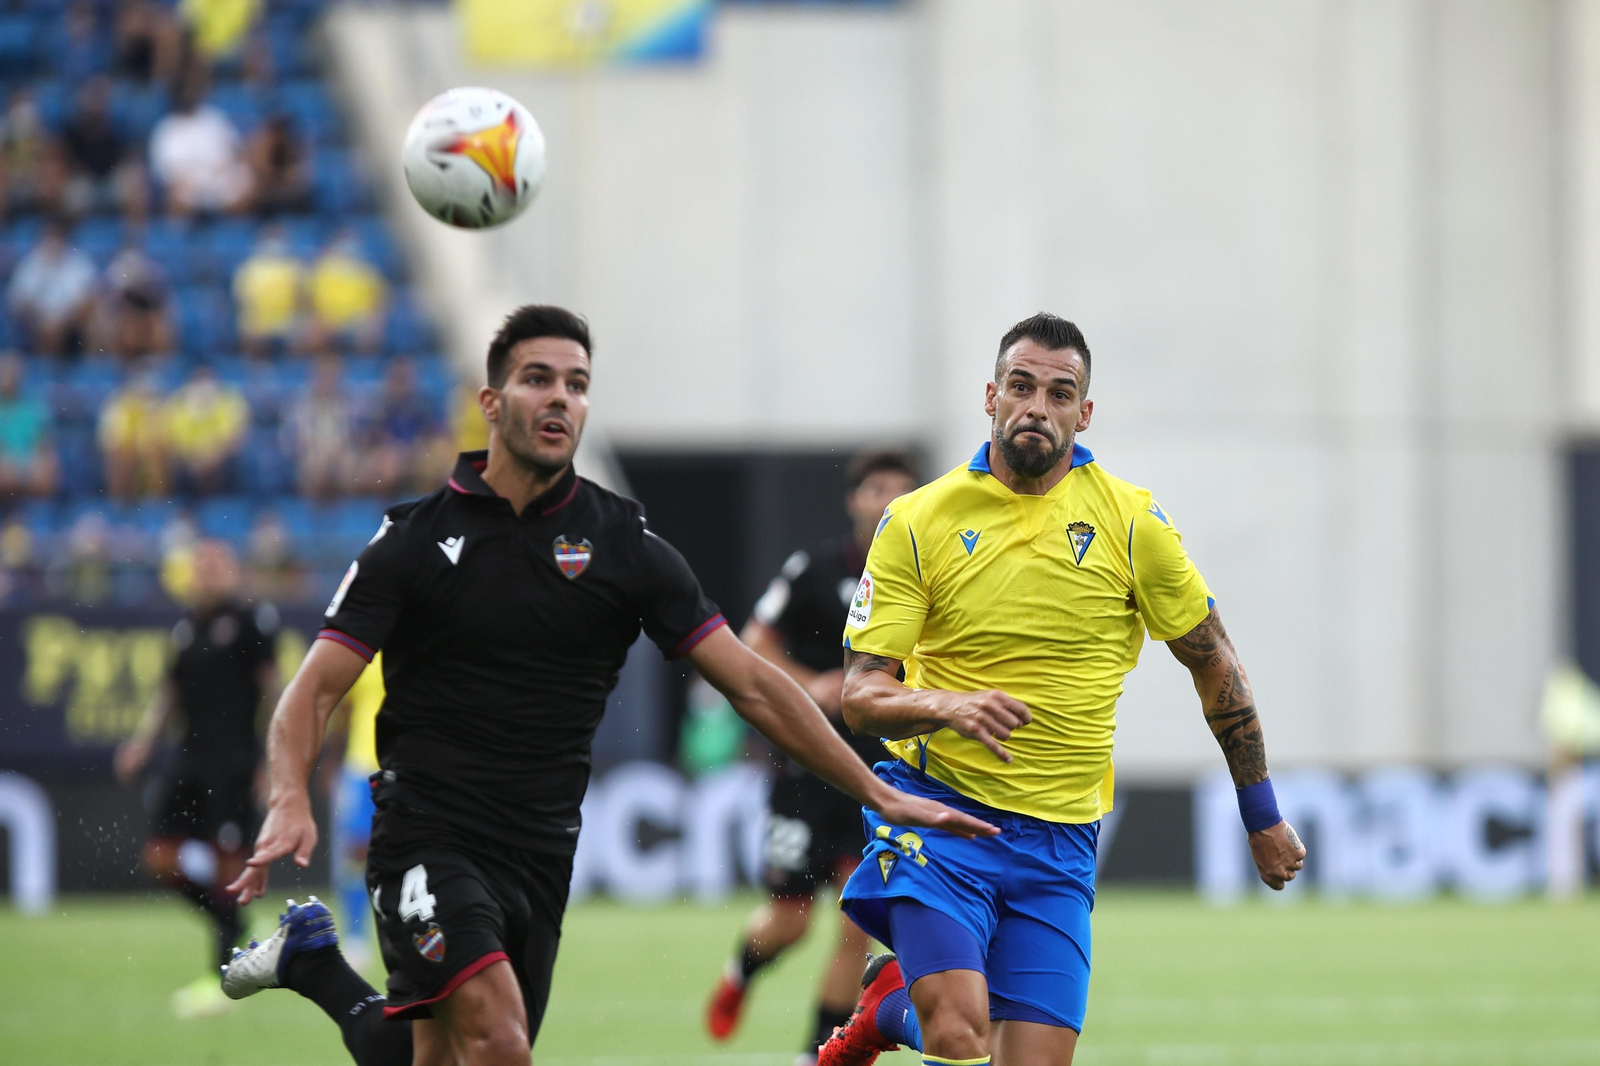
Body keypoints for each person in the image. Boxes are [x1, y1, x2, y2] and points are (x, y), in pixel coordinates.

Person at [219, 305, 995, 1066]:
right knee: (496, 1040)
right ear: (491, 402)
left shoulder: (624, 546)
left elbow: (753, 687)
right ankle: (321, 960)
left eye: (577, 383)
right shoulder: (414, 540)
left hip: (540, 852)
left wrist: (876, 790)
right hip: (428, 832)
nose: (560, 397)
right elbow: (314, 689)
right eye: (537, 379)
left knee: (433, 1048)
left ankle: (315, 962)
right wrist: (289, 794)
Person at [816, 313, 1306, 1066]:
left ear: (1084, 411)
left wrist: (1261, 813)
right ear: (990, 396)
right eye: (1020, 386)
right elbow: (861, 695)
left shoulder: (1133, 524)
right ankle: (896, 1010)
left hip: (1061, 842)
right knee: (958, 1032)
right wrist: (948, 705)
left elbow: (1217, 664)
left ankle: (889, 1002)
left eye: (1058, 392)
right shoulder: (917, 521)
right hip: (940, 816)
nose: (1036, 407)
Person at [707, 449, 920, 1063]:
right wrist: (814, 682)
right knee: (790, 922)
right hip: (805, 771)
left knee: (858, 927)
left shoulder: (919, 574)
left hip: (873, 776)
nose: (886, 500)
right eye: (875, 487)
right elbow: (753, 645)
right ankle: (739, 973)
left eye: (899, 490)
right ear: (853, 498)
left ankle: (814, 1053)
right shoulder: (814, 569)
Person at [114, 539, 281, 1018]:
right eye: (201, 566)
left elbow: (274, 694)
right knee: (160, 858)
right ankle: (238, 925)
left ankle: (223, 974)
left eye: (217, 565)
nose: (208, 574)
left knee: (228, 863)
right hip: (188, 762)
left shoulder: (251, 622)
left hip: (233, 764)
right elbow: (169, 693)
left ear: (233, 571)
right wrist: (142, 742)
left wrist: (272, 764)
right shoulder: (187, 628)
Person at [149, 78, 253, 217]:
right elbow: (163, 171)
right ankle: (178, 237)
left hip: (220, 181)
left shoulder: (214, 118)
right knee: (176, 199)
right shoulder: (166, 128)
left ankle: (236, 234)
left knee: (245, 184)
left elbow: (236, 150)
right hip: (187, 187)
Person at [6, 219, 97, 356]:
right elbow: (17, 304)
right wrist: (40, 323)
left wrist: (61, 325)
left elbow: (88, 302)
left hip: (71, 332)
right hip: (35, 330)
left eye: (57, 236)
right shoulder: (29, 265)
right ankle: (40, 367)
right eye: (49, 236)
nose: (53, 243)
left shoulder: (79, 263)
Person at [165, 363, 249, 496]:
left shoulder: (228, 401)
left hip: (221, 461)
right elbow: (174, 439)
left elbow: (233, 438)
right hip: (189, 462)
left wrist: (211, 457)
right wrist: (197, 458)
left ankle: (222, 498)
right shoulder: (178, 404)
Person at [100, 365, 170, 499]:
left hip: (151, 456)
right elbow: (112, 440)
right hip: (128, 455)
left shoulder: (162, 406)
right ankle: (120, 502)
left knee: (158, 456)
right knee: (122, 456)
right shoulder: (118, 405)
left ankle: (155, 505)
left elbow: (166, 439)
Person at [233, 224, 304, 354]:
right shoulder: (249, 269)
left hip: (290, 326)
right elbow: (242, 303)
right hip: (258, 326)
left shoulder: (295, 267)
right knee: (249, 335)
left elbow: (302, 300)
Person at [0, 352, 58, 497]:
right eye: (5, 371)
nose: (9, 377)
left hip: (28, 469)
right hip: (7, 467)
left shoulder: (36, 409)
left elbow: (44, 447)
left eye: (13, 371)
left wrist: (21, 469)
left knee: (44, 470)